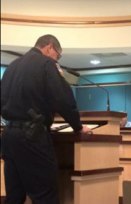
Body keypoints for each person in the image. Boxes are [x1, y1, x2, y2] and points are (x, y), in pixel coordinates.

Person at [1, 34, 91, 204]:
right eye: (58, 55)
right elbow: (63, 100)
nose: (57, 59)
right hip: (32, 136)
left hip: (9, 136)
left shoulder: (12, 67)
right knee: (45, 195)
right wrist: (78, 127)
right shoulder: (47, 64)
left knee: (14, 196)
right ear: (49, 47)